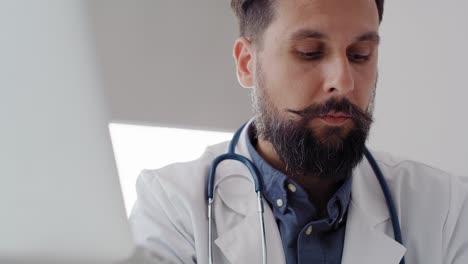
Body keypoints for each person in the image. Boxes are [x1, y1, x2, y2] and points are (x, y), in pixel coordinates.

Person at [128, 0, 468, 263]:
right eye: (310, 52)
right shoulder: (172, 207)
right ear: (247, 63)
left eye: (360, 55)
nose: (343, 81)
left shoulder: (446, 209)